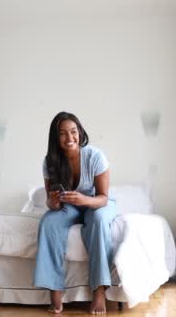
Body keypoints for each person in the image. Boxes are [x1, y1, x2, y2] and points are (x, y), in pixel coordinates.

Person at [33, 111, 116, 314]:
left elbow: (103, 197)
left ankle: (99, 290)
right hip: (68, 206)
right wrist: (52, 203)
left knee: (96, 219)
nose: (69, 138)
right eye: (63, 133)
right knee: (49, 222)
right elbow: (51, 203)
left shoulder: (95, 156)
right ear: (55, 137)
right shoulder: (50, 162)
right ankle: (55, 290)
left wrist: (84, 200)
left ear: (79, 132)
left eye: (73, 132)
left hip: (97, 203)